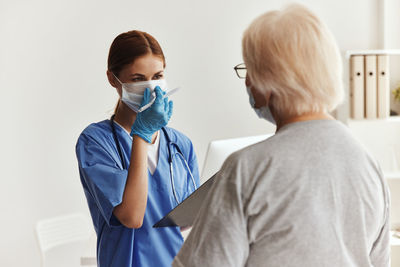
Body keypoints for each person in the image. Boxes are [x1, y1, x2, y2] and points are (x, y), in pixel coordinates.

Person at [173, 4, 390, 267]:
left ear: (271, 79)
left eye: (249, 70)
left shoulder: (247, 168)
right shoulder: (368, 164)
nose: (247, 82)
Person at [76, 30, 200, 267]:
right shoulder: (95, 142)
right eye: (138, 78)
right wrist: (141, 135)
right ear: (113, 79)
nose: (151, 87)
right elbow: (132, 217)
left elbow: (186, 221)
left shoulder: (180, 144)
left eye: (158, 75)